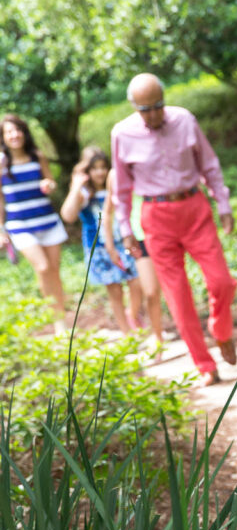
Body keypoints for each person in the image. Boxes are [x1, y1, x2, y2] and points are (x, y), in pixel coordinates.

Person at [111, 73, 237, 386]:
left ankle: (221, 330)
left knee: (221, 281)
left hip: (194, 207)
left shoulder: (184, 120)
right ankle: (205, 364)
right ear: (134, 107)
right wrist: (125, 228)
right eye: (145, 109)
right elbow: (122, 188)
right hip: (155, 215)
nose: (153, 114)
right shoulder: (122, 134)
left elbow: (209, 164)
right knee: (177, 295)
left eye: (158, 106)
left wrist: (223, 204)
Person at [60, 145, 145, 336]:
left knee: (137, 283)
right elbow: (67, 215)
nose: (100, 172)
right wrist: (75, 186)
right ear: (87, 171)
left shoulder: (116, 187)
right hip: (98, 248)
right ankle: (127, 333)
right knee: (115, 292)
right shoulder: (84, 195)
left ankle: (132, 314)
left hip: (123, 243)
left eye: (103, 167)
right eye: (94, 168)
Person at [0, 113, 68, 334]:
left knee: (53, 272)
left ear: (24, 133)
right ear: (3, 136)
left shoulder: (37, 156)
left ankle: (61, 320)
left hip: (47, 221)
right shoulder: (1, 163)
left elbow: (49, 180)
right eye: (9, 132)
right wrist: (1, 229)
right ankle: (55, 317)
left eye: (17, 130)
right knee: (43, 267)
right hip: (20, 225)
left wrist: (49, 184)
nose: (14, 135)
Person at [102, 184, 165, 355]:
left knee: (167, 289)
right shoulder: (115, 175)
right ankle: (157, 337)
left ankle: (136, 316)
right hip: (138, 237)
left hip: (162, 230)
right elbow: (108, 211)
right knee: (150, 291)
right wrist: (110, 246)